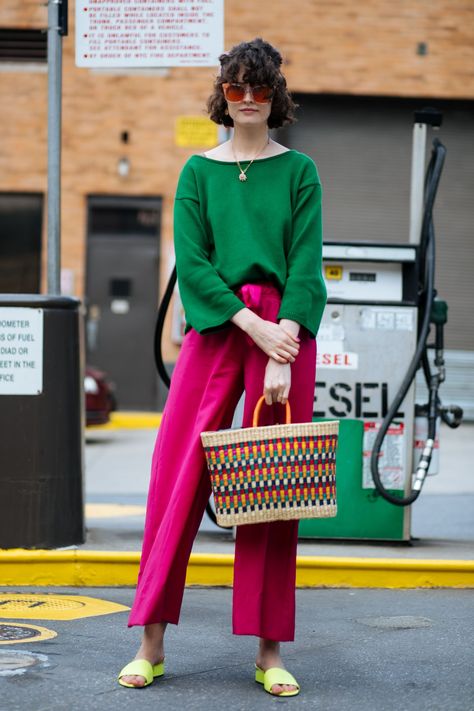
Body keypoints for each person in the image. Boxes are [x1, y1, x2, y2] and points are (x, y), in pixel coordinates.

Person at [117, 37, 327, 697]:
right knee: (176, 477)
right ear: (222, 95)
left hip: (285, 333)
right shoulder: (197, 173)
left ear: (275, 94)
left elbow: (305, 262)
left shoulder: (300, 171)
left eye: (258, 88)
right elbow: (196, 266)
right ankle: (151, 640)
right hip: (220, 326)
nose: (246, 100)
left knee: (273, 482)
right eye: (235, 88)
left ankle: (268, 652)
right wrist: (252, 326)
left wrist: (280, 346)